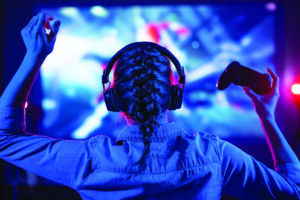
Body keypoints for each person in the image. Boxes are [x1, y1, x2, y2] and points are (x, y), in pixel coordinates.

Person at [0, 13, 299, 200]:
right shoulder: (214, 156)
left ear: (112, 98)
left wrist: (34, 57)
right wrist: (266, 116)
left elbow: (4, 137)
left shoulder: (88, 160)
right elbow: (293, 191)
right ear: (174, 94)